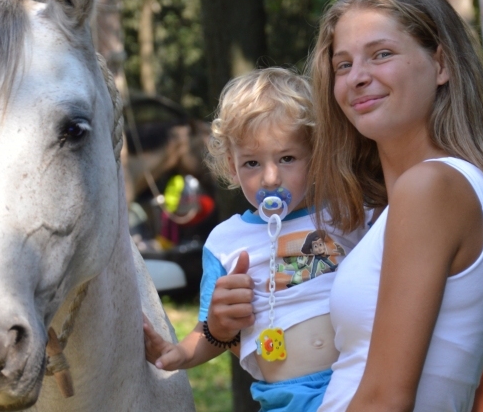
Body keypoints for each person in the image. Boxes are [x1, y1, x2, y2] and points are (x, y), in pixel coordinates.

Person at [205, 0, 483, 412]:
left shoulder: (432, 186)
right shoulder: (406, 202)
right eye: (344, 64)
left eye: (382, 54)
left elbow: (385, 399)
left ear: (441, 64)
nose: (358, 77)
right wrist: (229, 329)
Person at [142, 67, 371, 412]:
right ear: (232, 168)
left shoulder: (346, 213)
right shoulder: (225, 241)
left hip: (359, 382)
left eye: (288, 158)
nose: (270, 176)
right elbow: (212, 332)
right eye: (251, 162)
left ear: (317, 155)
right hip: (285, 400)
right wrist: (179, 355)